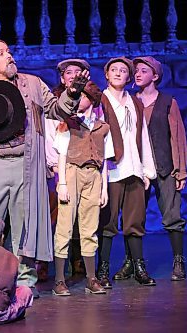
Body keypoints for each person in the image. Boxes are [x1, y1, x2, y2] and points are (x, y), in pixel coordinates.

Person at [0, 39, 87, 298]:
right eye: (2, 53)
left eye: (9, 51)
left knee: (25, 226)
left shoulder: (33, 84)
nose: (10, 56)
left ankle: (24, 281)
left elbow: (56, 110)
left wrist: (71, 94)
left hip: (25, 164)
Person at [96, 57, 157, 288]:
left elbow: (142, 136)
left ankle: (138, 266)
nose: (119, 73)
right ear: (107, 74)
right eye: (114, 70)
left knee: (134, 221)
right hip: (111, 170)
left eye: (123, 71)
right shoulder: (100, 101)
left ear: (129, 77)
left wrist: (146, 170)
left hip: (133, 168)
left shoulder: (134, 103)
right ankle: (103, 270)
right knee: (108, 222)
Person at [52, 80, 113, 296]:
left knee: (89, 227)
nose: (80, 100)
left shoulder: (102, 127)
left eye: (84, 97)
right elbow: (61, 153)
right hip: (71, 171)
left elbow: (104, 160)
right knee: (65, 226)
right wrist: (62, 183)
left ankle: (91, 278)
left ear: (92, 101)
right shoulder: (68, 122)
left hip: (93, 175)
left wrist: (104, 188)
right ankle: (59, 279)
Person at [133, 56, 187, 281]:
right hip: (138, 169)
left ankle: (178, 261)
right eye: (136, 70)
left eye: (143, 71)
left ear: (155, 76)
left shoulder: (167, 102)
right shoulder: (130, 101)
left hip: (165, 167)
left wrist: (180, 170)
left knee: (172, 215)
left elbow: (178, 137)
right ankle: (134, 263)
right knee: (135, 218)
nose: (137, 74)